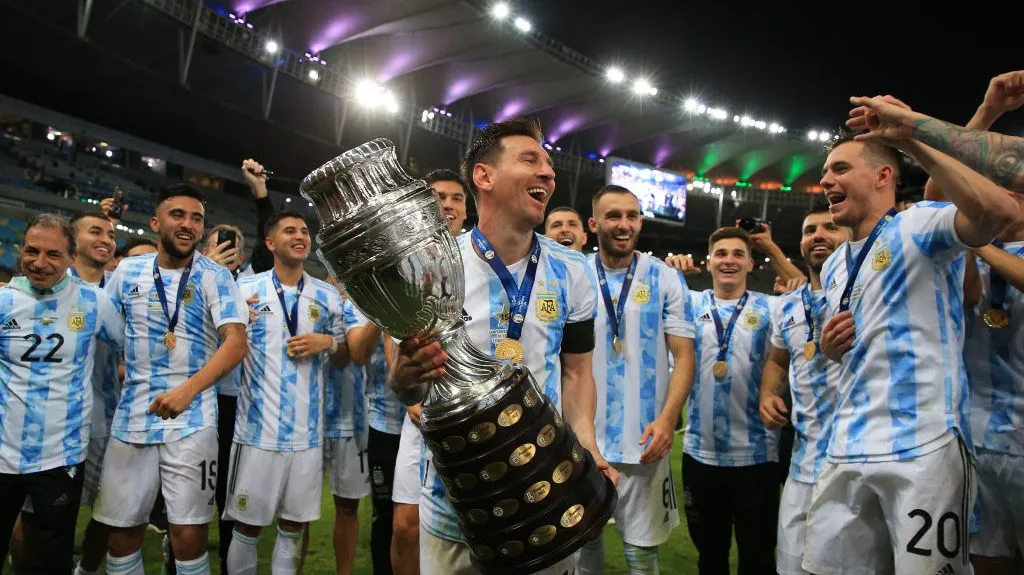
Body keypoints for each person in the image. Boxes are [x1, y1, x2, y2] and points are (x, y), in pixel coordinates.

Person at [390, 117, 616, 575]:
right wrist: (404, 383)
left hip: (545, 491)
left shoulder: (573, 271)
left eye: (550, 165)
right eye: (531, 160)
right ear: (484, 176)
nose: (549, 174)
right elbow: (409, 388)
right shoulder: (431, 266)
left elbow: (576, 373)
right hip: (457, 493)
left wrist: (587, 443)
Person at [807, 96, 1019, 574]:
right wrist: (828, 347)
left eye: (840, 169)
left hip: (921, 449)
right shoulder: (837, 262)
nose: (825, 181)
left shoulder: (919, 225)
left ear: (884, 177)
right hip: (845, 446)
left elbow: (996, 209)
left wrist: (912, 138)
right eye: (826, 172)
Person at [94, 183, 248, 575]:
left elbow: (235, 344)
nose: (188, 224)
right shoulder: (126, 271)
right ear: (155, 221)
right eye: (178, 215)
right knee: (121, 534)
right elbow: (108, 334)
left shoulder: (216, 275)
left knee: (188, 535)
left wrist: (187, 390)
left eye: (196, 218)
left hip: (193, 420)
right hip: (132, 417)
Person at [223, 211, 349, 574]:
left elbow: (343, 358)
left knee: (292, 529)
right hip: (256, 434)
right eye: (290, 231)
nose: (300, 236)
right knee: (247, 528)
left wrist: (327, 341)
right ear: (270, 242)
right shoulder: (244, 291)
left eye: (305, 231)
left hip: (307, 437)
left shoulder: (326, 296)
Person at [577, 185, 694, 575]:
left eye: (631, 215)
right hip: (581, 442)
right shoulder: (574, 276)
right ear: (594, 224)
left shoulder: (665, 279)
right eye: (613, 216)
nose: (623, 224)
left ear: (640, 221)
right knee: (582, 549)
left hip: (644, 441)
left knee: (642, 557)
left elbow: (684, 356)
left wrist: (667, 419)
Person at [0, 214, 124, 574]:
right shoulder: (4, 301)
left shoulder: (94, 303)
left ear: (71, 258)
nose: (40, 263)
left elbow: (133, 348)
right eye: (32, 251)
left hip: (61, 456)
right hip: (2, 453)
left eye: (52, 254)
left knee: (49, 560)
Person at [679, 226, 780, 575]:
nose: (729, 261)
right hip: (700, 454)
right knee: (710, 559)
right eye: (721, 254)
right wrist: (672, 271)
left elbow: (816, 294)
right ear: (708, 262)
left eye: (738, 254)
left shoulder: (772, 308)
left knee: (759, 559)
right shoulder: (690, 302)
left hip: (756, 455)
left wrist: (781, 260)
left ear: (751, 263)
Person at [757, 205, 846, 575]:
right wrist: (767, 393)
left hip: (853, 461)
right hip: (803, 460)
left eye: (831, 228)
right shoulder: (789, 305)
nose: (819, 236)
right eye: (810, 230)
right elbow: (777, 360)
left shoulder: (866, 293)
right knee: (790, 566)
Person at [389, 168, 469, 575]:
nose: (447, 205)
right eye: (438, 196)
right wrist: (410, 398)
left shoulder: (478, 261)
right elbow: (396, 334)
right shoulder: (407, 262)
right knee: (405, 525)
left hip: (464, 416)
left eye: (456, 198)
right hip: (419, 411)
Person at [323, 277, 371, 575]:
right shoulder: (311, 298)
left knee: (347, 506)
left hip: (352, 417)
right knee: (294, 514)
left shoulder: (364, 304)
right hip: (305, 417)